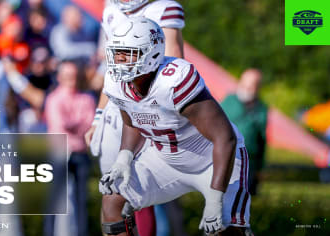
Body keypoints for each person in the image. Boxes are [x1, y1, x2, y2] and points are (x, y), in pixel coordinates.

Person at [98, 17, 253, 236]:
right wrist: (124, 157)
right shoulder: (116, 83)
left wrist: (215, 199)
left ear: (150, 54)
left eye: (128, 53)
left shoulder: (174, 79)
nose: (119, 60)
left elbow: (224, 137)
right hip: (165, 160)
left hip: (211, 160)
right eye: (117, 53)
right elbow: (132, 120)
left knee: (226, 228)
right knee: (112, 202)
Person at [84, 1, 185, 235]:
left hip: (148, 106)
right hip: (116, 108)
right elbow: (111, 71)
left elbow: (175, 64)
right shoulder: (111, 9)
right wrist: (98, 116)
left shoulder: (164, 8)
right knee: (110, 192)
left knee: (140, 193)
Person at [43, 61, 96, 236]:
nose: (70, 79)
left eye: (73, 75)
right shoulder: (53, 99)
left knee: (81, 200)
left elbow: (89, 125)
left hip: (79, 153)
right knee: (52, 202)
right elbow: (60, 125)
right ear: (59, 77)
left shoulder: (86, 98)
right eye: (66, 75)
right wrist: (78, 125)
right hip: (59, 153)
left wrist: (74, 125)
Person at [221, 69, 268, 196]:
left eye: (253, 86)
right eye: (245, 85)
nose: (248, 89)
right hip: (226, 161)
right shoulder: (228, 102)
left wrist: (260, 167)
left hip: (249, 164)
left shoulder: (261, 108)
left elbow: (262, 140)